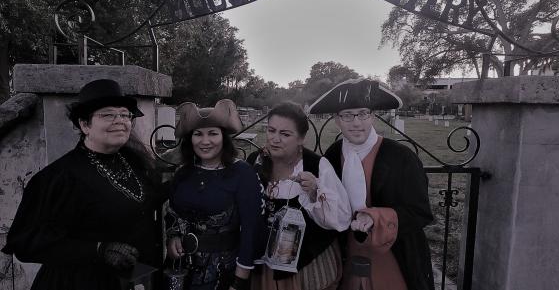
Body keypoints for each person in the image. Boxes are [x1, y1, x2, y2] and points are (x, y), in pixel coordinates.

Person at [2, 79, 165, 290]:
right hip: (79, 282)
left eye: (125, 115)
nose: (120, 121)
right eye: (108, 114)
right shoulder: (61, 177)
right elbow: (26, 244)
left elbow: (149, 203)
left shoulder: (133, 163)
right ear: (85, 124)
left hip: (130, 280)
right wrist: (97, 249)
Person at [309, 78, 435, 290]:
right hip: (346, 257)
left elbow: (420, 212)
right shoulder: (332, 155)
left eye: (363, 113)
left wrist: (376, 217)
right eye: (347, 115)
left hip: (392, 259)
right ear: (336, 120)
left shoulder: (402, 157)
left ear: (373, 116)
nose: (356, 122)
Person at [246, 101, 351, 290]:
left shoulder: (317, 165)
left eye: (285, 134)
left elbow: (340, 219)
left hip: (305, 265)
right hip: (263, 262)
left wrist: (314, 192)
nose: (274, 139)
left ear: (301, 138)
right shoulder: (256, 160)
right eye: (271, 130)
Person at [165, 99, 265, 290]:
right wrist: (174, 237)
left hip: (223, 271)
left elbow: (251, 229)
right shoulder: (183, 172)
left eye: (213, 133)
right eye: (198, 134)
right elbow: (172, 213)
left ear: (224, 137)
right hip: (181, 268)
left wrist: (240, 280)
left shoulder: (242, 173)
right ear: (190, 138)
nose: (205, 141)